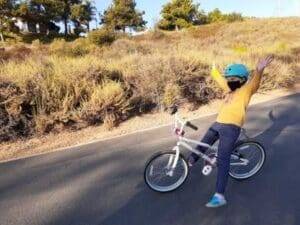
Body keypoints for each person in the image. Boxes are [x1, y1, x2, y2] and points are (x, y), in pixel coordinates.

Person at [188, 55, 274, 208]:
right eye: (229, 78)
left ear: (242, 80)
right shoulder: (229, 89)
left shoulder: (247, 90)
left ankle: (220, 195)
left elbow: (255, 82)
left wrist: (259, 70)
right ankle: (190, 161)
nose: (230, 81)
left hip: (231, 127)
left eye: (233, 78)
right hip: (219, 123)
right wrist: (214, 70)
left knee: (222, 159)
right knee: (204, 142)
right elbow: (220, 80)